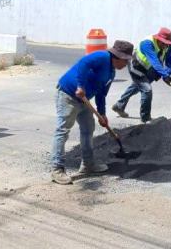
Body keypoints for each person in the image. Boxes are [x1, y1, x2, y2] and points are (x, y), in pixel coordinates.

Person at [51, 40, 134, 185]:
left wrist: (102, 114)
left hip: (84, 100)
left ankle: (88, 164)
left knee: (88, 129)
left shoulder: (111, 73)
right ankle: (57, 168)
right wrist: (80, 86)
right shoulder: (102, 57)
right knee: (63, 131)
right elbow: (83, 63)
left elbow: (101, 94)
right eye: (126, 61)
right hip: (68, 95)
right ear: (118, 57)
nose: (126, 64)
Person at [112, 27, 171, 123]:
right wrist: (164, 75)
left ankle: (119, 105)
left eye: (167, 43)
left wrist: (168, 74)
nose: (166, 46)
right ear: (158, 39)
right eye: (164, 43)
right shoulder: (147, 44)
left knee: (137, 86)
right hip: (137, 66)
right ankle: (145, 118)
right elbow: (154, 61)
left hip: (150, 68)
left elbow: (170, 62)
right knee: (147, 89)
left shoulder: (168, 46)